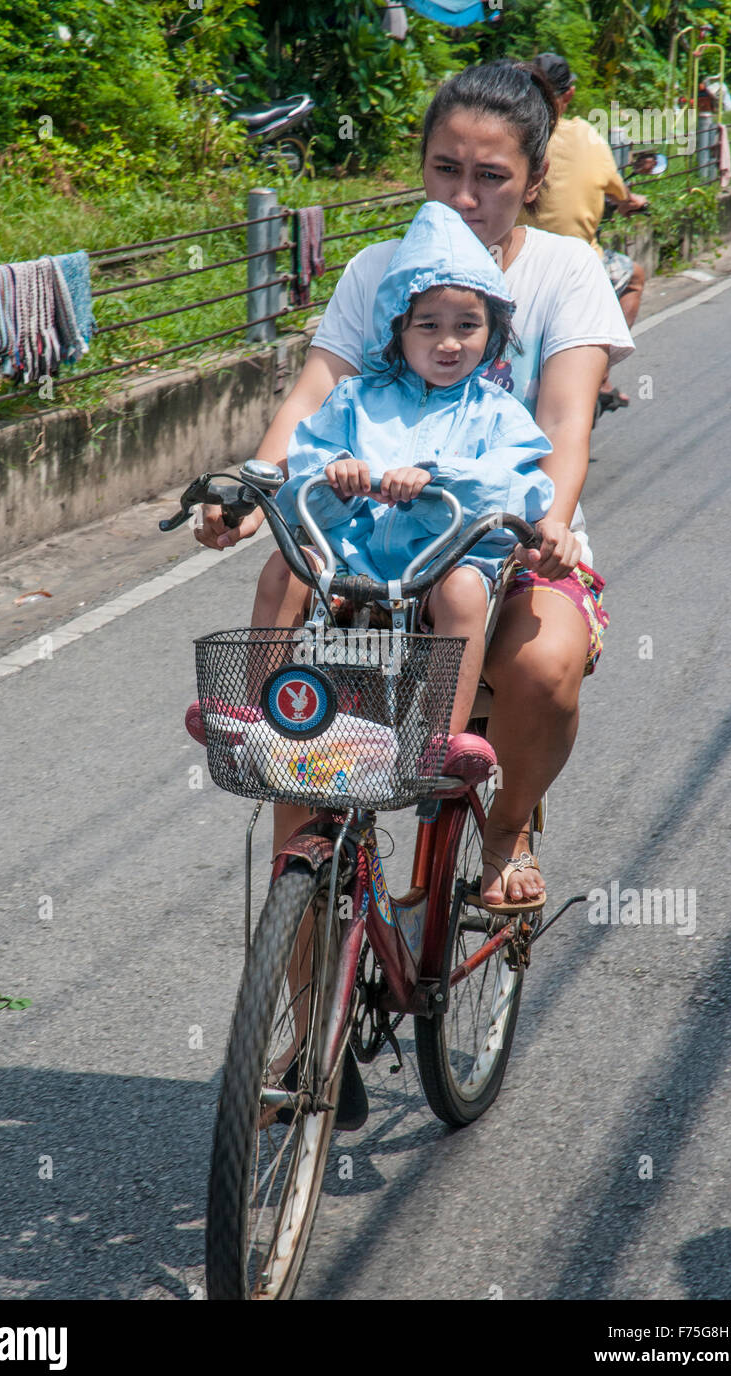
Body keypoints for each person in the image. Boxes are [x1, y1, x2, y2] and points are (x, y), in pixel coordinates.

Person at [193, 59, 633, 911]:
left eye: (491, 177)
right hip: (364, 539)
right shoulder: (375, 272)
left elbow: (565, 426)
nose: (465, 197)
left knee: (543, 667)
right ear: (420, 163)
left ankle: (505, 824)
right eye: (445, 170)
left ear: (534, 180)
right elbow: (315, 395)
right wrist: (251, 489)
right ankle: (295, 1033)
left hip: (496, 534)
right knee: (295, 745)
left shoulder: (564, 272)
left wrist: (548, 524)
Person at [273, 198, 556, 744]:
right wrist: (338, 473)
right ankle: (256, 716)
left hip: (437, 572)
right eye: (428, 325)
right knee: (285, 567)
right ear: (396, 330)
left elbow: (521, 492)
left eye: (468, 325)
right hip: (348, 564)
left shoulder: (500, 413)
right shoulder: (354, 398)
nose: (449, 342)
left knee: (465, 595)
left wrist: (437, 478)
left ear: (493, 332)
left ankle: (439, 745)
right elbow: (301, 473)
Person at [518, 52, 646, 405]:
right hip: (581, 267)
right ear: (568, 95)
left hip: (512, 261)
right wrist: (630, 200)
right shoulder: (586, 136)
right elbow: (619, 192)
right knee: (634, 275)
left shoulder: (512, 135)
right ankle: (601, 376)